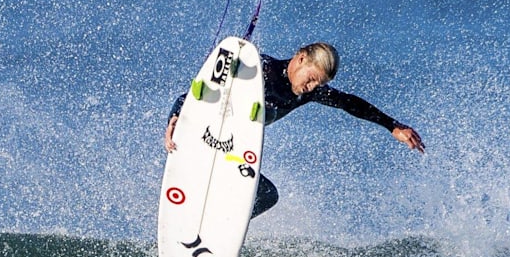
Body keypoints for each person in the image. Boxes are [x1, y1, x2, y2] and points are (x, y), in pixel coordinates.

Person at [164, 41, 425, 218]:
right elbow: (201, 92)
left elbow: (349, 103)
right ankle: (208, 210)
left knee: (266, 195)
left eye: (318, 84)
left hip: (232, 151)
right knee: (263, 192)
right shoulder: (259, 71)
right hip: (206, 139)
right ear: (300, 59)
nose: (312, 87)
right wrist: (175, 116)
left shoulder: (305, 94)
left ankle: (219, 221)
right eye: (311, 78)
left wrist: (392, 126)